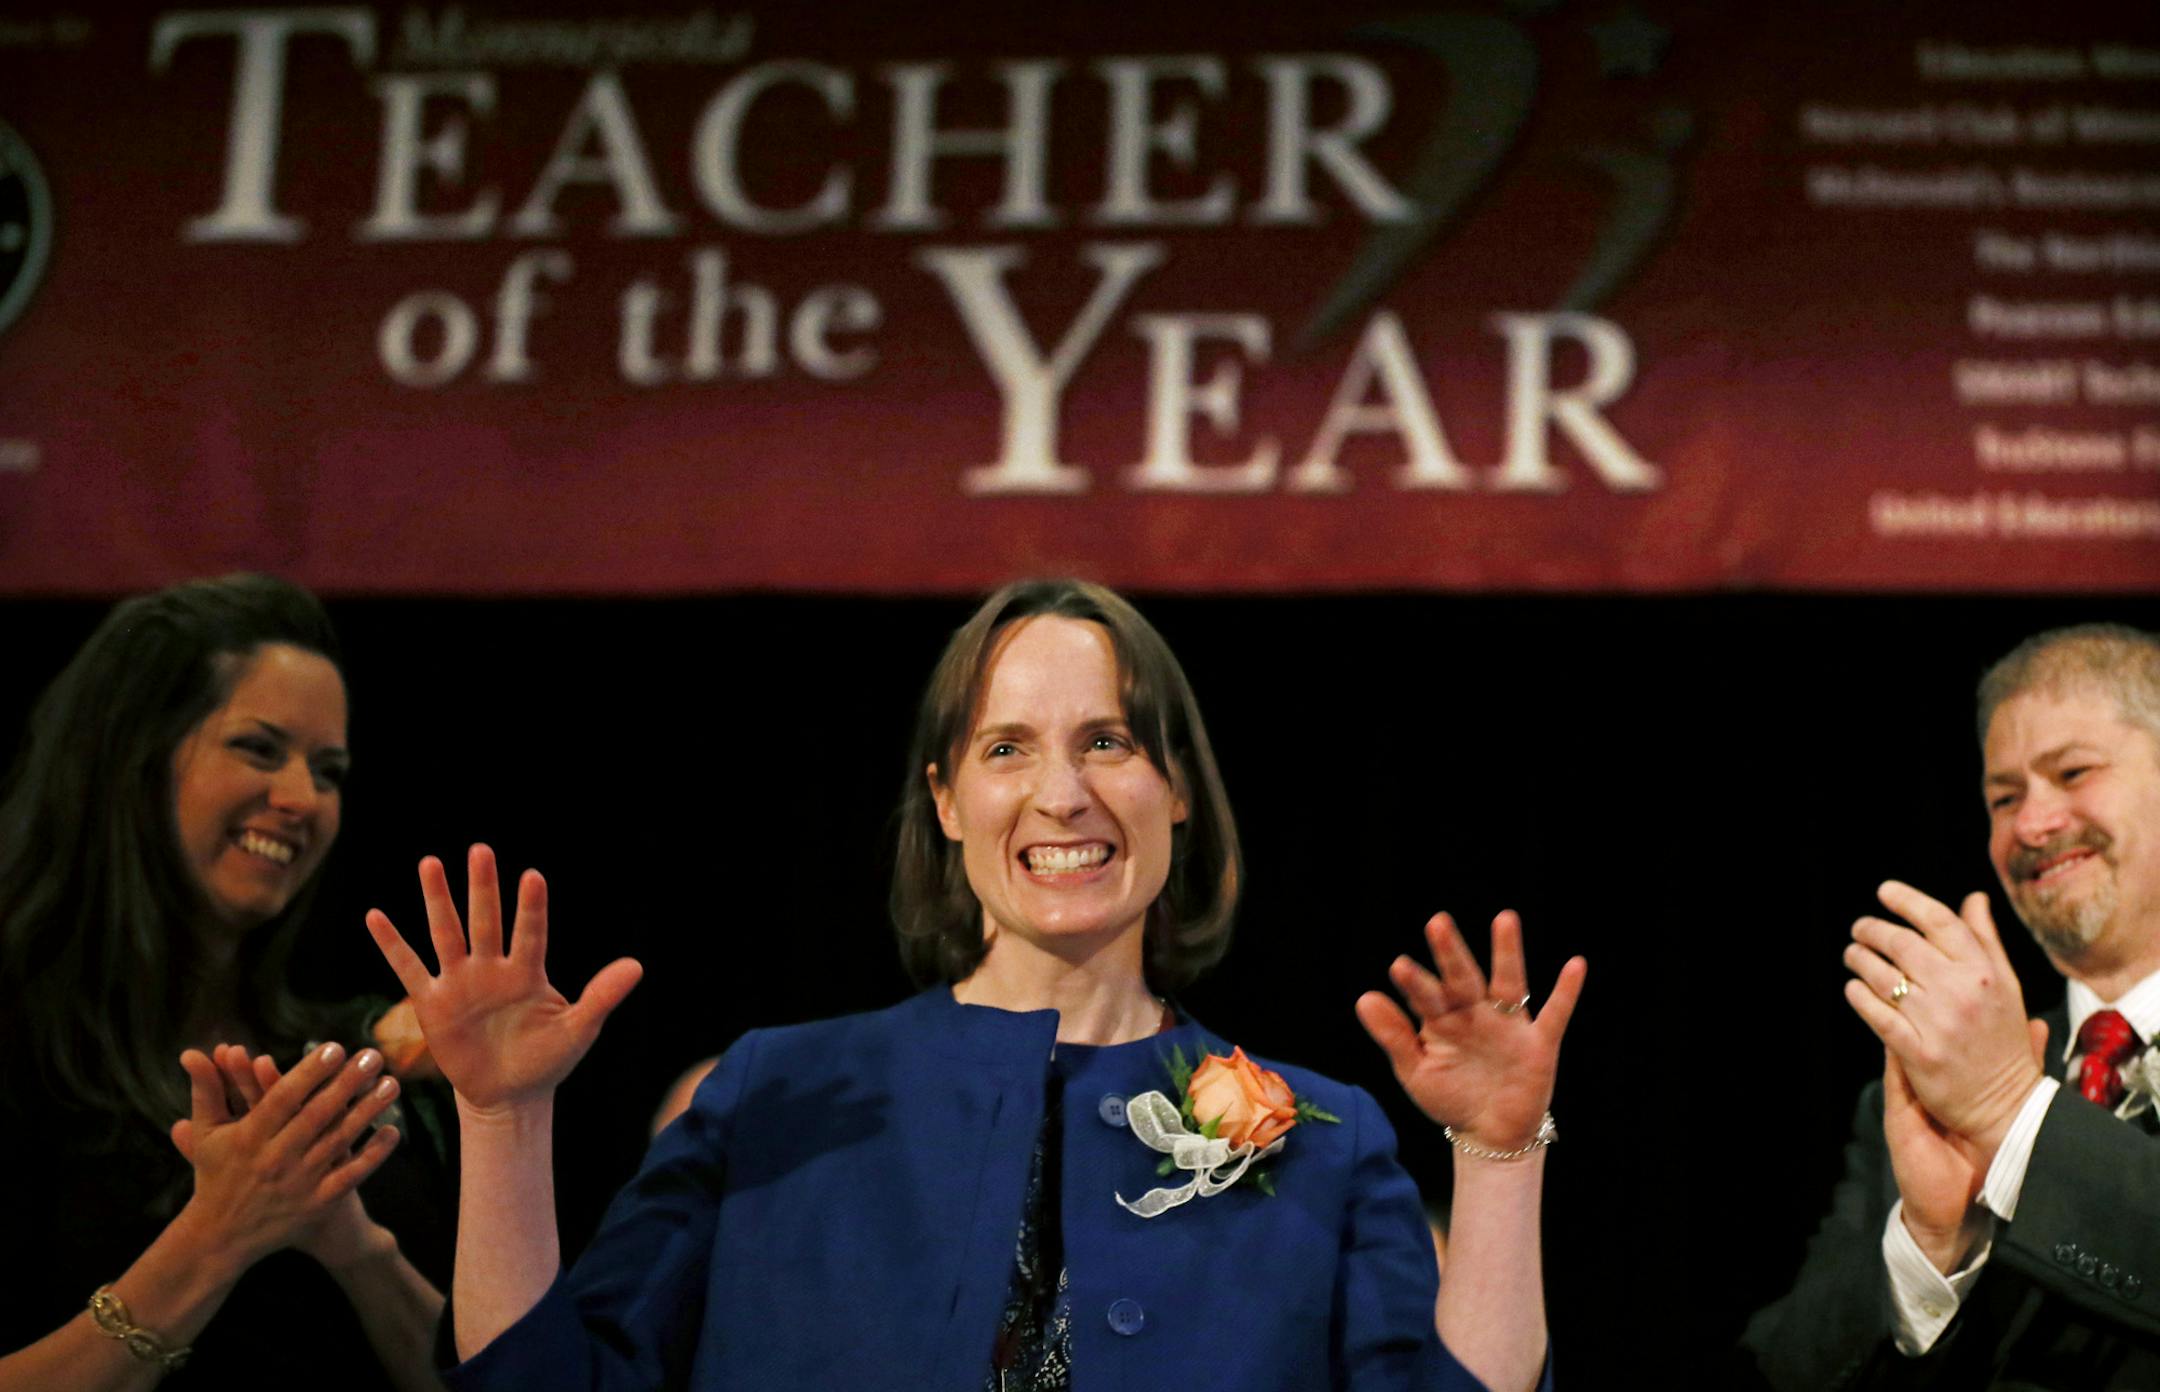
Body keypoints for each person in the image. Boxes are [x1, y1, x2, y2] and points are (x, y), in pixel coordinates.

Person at [367, 578, 1586, 1391]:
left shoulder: (1326, 1136)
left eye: (1108, 741)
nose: (1064, 795)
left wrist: (1500, 1154)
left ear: (1176, 792)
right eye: (1009, 749)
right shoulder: (776, 1094)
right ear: (949, 801)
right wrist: (503, 1121)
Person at [0, 574, 451, 1391]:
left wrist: (357, 1248)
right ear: (131, 752)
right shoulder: (23, 1041)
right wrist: (216, 1236)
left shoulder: (345, 1061)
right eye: (258, 748)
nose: (300, 798)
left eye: (329, 770)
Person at [1744, 622, 2160, 1388]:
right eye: (2004, 797)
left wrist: (2016, 1117)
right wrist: (1931, 1252)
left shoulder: (1988, 1091)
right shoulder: (1923, 1102)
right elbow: (1784, 1371)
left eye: (2072, 773)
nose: (2031, 825)